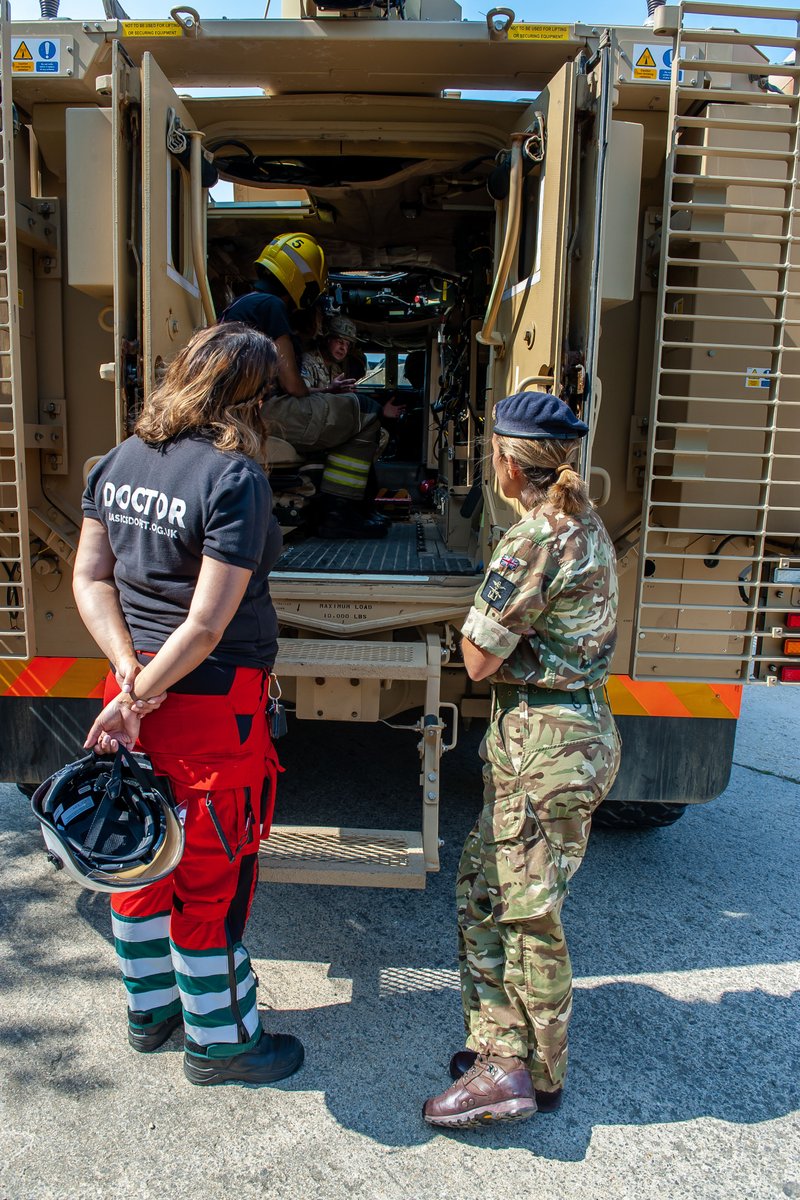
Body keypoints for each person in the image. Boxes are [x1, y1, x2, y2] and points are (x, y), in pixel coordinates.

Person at [72, 322, 304, 1088]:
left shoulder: (116, 461)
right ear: (249, 397)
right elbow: (205, 626)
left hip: (129, 694)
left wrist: (127, 679)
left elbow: (91, 578)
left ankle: (151, 1013)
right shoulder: (234, 478)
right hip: (208, 707)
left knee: (139, 855)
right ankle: (222, 1043)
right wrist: (143, 691)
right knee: (209, 875)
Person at [422, 391, 621, 1129]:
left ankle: (518, 1071)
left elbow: (477, 657)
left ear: (507, 462)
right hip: (566, 737)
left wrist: (503, 640)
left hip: (545, 748)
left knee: (526, 912)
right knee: (484, 886)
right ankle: (504, 1047)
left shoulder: (534, 538)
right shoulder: (585, 523)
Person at [220, 234, 387, 539]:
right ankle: (338, 512)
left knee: (346, 413)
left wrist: (326, 392)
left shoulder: (241, 305)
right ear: (304, 282)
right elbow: (293, 385)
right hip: (265, 413)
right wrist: (322, 393)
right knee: (368, 411)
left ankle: (342, 508)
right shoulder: (271, 306)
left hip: (246, 412)